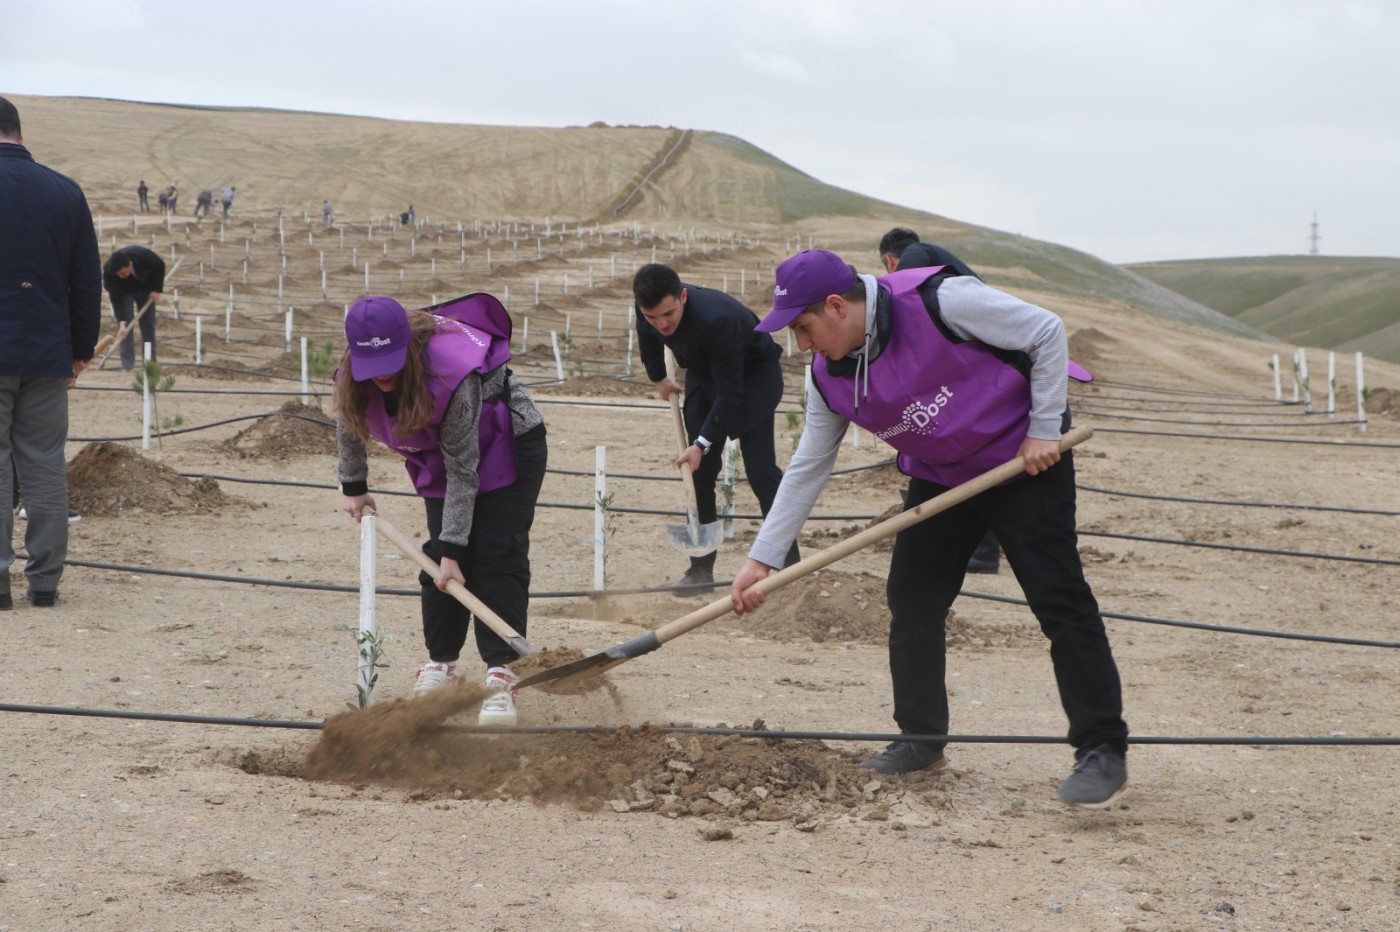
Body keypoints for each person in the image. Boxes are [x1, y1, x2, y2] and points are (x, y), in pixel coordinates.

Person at [730, 249, 1129, 809]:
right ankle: (921, 739)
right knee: (912, 597)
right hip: (943, 475)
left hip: (1022, 458)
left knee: (1058, 598)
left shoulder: (943, 301)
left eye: (803, 328)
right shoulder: (826, 379)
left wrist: (1042, 427)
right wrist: (763, 558)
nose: (801, 345)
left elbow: (1045, 330)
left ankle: (1102, 748)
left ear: (838, 307)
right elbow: (808, 465)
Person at [334, 294, 547, 724]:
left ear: (407, 347)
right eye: (372, 370)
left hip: (507, 441)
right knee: (439, 563)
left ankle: (501, 672)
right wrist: (354, 485)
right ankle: (441, 663)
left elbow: (463, 470)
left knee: (494, 551)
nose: (383, 378)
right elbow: (349, 424)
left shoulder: (452, 375)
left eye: (391, 364)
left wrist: (454, 549)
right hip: (439, 455)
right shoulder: (351, 376)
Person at [633, 263, 799, 589]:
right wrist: (659, 378)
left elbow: (731, 392)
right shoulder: (648, 310)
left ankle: (788, 566)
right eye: (653, 317)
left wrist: (701, 443)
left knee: (761, 470)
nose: (662, 324)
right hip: (703, 373)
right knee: (699, 473)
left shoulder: (716, 319)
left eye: (668, 314)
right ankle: (700, 569)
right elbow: (648, 339)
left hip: (752, 379)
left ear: (682, 296)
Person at [0, 95, 101, 608]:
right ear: (19, 132)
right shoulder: (65, 191)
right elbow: (87, 278)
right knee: (42, 463)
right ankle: (45, 584)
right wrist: (80, 349)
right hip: (46, 352)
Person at [878, 227, 1000, 575]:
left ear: (890, 261)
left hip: (986, 371)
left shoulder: (918, 255)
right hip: (984, 366)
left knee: (979, 461)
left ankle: (984, 551)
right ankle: (982, 549)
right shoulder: (947, 267)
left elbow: (905, 288)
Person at [103, 244, 165, 370]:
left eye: (123, 273)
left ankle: (149, 362)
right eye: (118, 275)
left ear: (130, 265)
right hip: (124, 292)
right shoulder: (109, 272)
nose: (120, 276)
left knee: (148, 325)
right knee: (126, 327)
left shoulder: (143, 256)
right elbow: (115, 299)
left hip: (145, 288)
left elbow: (160, 266)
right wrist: (121, 322)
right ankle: (127, 365)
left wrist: (156, 289)